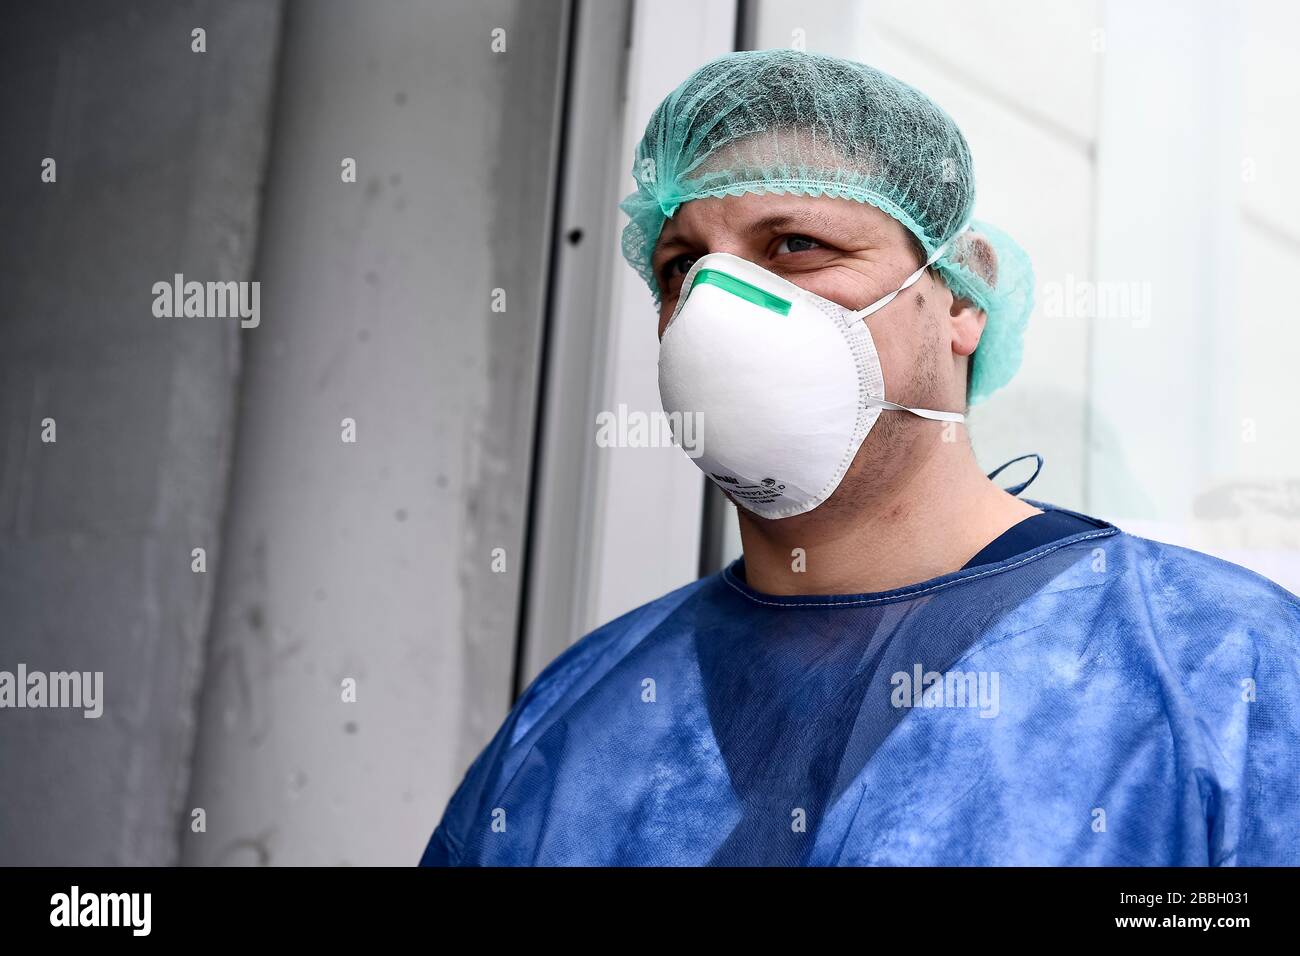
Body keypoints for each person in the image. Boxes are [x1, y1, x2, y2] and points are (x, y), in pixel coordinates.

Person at [420, 49, 1300, 866]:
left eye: (795, 247)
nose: (715, 307)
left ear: (961, 302)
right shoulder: (578, 716)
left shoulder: (1221, 672)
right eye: (683, 266)